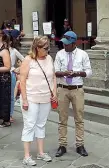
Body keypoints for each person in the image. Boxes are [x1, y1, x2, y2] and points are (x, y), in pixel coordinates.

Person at [20, 36, 57, 166]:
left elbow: (53, 77)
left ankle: (41, 153)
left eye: (49, 47)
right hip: (31, 97)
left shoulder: (49, 58)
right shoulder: (28, 60)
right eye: (46, 48)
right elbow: (22, 81)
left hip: (46, 97)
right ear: (37, 48)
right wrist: (24, 100)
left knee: (41, 124)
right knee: (30, 125)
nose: (48, 50)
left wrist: (55, 93)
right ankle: (26, 156)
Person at [54, 31, 92, 157]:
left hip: (77, 88)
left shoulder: (83, 54)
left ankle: (80, 144)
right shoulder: (60, 54)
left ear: (74, 43)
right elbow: (55, 71)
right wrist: (64, 73)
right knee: (62, 118)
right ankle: (62, 144)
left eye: (68, 44)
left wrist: (77, 73)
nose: (65, 46)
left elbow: (89, 72)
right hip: (63, 88)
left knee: (79, 118)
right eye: (64, 44)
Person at [8, 34, 24, 122]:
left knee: (11, 96)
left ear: (10, 42)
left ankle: (10, 114)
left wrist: (17, 68)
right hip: (2, 74)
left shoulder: (14, 51)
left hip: (11, 74)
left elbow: (24, 59)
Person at [0, 30, 11, 127]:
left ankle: (5, 120)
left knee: (4, 99)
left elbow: (8, 67)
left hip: (4, 79)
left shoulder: (4, 51)